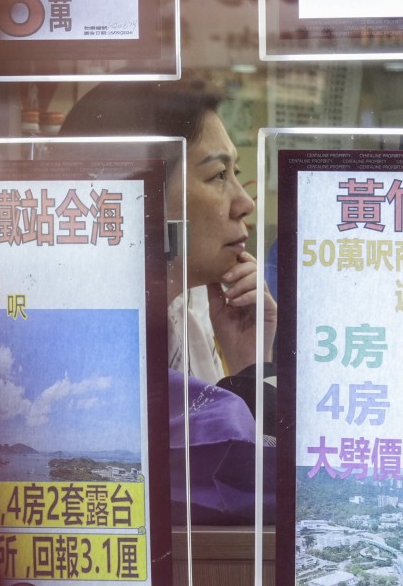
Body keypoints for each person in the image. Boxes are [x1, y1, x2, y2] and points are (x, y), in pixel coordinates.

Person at [60, 80, 277, 523]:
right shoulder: (89, 350)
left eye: (236, 174)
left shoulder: (187, 317)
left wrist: (249, 359)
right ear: (143, 195)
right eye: (219, 176)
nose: (244, 202)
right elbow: (246, 488)